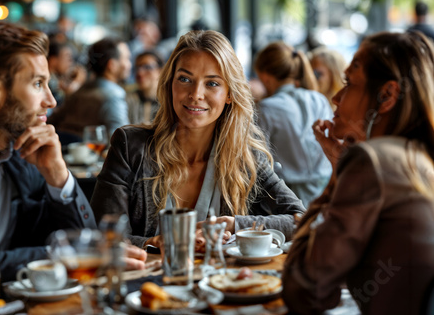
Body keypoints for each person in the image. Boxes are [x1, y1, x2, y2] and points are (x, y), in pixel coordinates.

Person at [0, 22, 144, 283]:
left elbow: (83, 247)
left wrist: (58, 176)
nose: (51, 100)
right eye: (37, 84)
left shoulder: (23, 156)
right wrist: (55, 257)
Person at [90, 30, 305, 249]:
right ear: (170, 85)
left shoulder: (246, 156)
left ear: (230, 94)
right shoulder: (129, 145)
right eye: (184, 79)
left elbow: (301, 220)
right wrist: (152, 242)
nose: (196, 94)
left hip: (220, 282)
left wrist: (235, 225)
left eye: (212, 83)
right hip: (144, 281)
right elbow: (101, 236)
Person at [283, 31, 434, 315]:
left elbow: (303, 289)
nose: (337, 98)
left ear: (387, 95)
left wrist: (337, 176)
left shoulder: (372, 161)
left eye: (349, 83)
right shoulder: (418, 157)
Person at [254, 42, 333, 207]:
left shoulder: (267, 108)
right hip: (325, 192)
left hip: (285, 198)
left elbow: (258, 163)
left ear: (265, 77)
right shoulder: (319, 99)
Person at [49, 37, 131, 141]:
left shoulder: (79, 91)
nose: (129, 64)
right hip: (93, 155)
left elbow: (52, 121)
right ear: (112, 65)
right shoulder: (113, 96)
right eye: (127, 59)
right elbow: (122, 141)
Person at [126, 51, 163, 125]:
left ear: (160, 70)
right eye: (137, 68)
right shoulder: (128, 100)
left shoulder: (168, 102)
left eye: (147, 67)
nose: (140, 73)